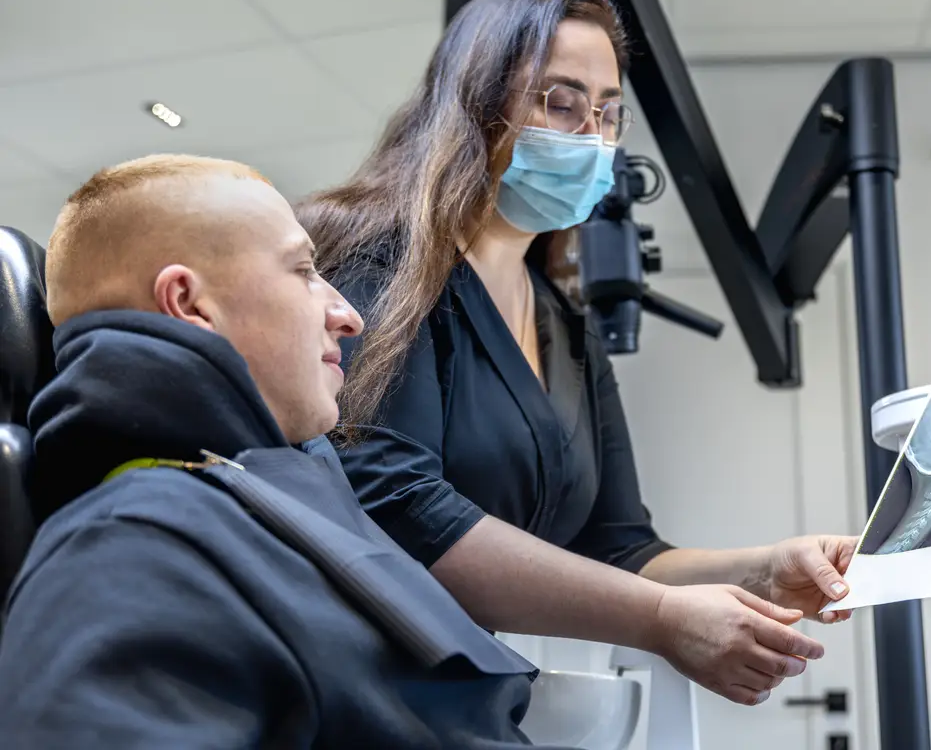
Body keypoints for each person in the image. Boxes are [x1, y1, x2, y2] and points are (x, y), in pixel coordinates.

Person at [299, 0, 857, 708]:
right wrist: (659, 622)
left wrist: (764, 569)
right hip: (362, 698)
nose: (592, 136)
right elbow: (397, 507)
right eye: (560, 103)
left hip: (485, 699)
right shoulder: (381, 263)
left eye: (608, 113)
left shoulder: (564, 324)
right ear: (476, 104)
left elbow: (620, 546)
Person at [0, 154, 581, 748]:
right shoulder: (128, 552)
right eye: (304, 270)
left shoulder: (262, 512)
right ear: (188, 302)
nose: (348, 316)